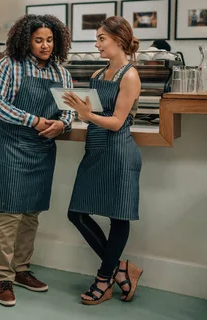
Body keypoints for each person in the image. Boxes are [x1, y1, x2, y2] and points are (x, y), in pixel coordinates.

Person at [0, 14, 74, 307]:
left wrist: (63, 124)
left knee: (32, 213)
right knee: (10, 212)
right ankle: (3, 277)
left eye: (50, 40)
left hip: (42, 148)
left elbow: (70, 109)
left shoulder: (61, 73)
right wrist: (33, 119)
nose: (45, 45)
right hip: (11, 146)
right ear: (26, 40)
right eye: (39, 40)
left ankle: (21, 270)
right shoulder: (7, 66)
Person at [62, 16, 143, 305]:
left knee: (117, 218)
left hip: (119, 152)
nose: (97, 44)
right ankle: (121, 269)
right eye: (97, 38)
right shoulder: (98, 73)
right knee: (77, 213)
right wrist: (79, 109)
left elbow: (118, 122)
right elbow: (96, 112)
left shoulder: (130, 76)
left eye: (101, 39)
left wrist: (86, 115)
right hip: (95, 149)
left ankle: (103, 278)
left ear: (118, 40)